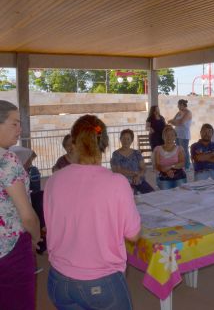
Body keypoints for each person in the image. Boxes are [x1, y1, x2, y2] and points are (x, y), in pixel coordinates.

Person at [44, 115, 141, 310]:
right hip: (101, 281)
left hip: (58, 280)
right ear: (104, 144)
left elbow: (51, 224)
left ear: (73, 142)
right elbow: (133, 234)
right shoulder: (117, 182)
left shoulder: (54, 180)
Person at [0, 100, 40, 310]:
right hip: (11, 249)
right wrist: (36, 237)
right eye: (14, 123)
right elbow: (27, 216)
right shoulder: (7, 160)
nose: (20, 129)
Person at [111, 129, 155, 194]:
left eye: (128, 139)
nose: (126, 141)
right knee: (132, 198)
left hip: (138, 180)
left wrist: (138, 176)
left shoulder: (136, 153)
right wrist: (134, 173)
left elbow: (143, 168)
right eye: (124, 138)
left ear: (131, 140)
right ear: (120, 139)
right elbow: (117, 170)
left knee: (152, 194)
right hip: (124, 183)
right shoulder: (116, 154)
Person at [154, 125, 187, 190]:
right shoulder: (158, 149)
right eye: (167, 135)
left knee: (181, 193)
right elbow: (157, 165)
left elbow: (182, 163)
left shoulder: (179, 148)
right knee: (166, 195)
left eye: (172, 135)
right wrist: (166, 171)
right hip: (163, 175)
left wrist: (170, 167)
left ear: (175, 137)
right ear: (163, 137)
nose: (169, 137)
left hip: (178, 175)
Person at [168, 99, 192, 170]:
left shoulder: (188, 113)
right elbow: (172, 121)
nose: (177, 106)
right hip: (177, 134)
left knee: (184, 150)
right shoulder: (179, 113)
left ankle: (187, 166)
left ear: (182, 105)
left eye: (178, 105)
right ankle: (180, 165)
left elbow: (181, 122)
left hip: (184, 135)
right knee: (178, 150)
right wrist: (175, 122)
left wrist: (174, 122)